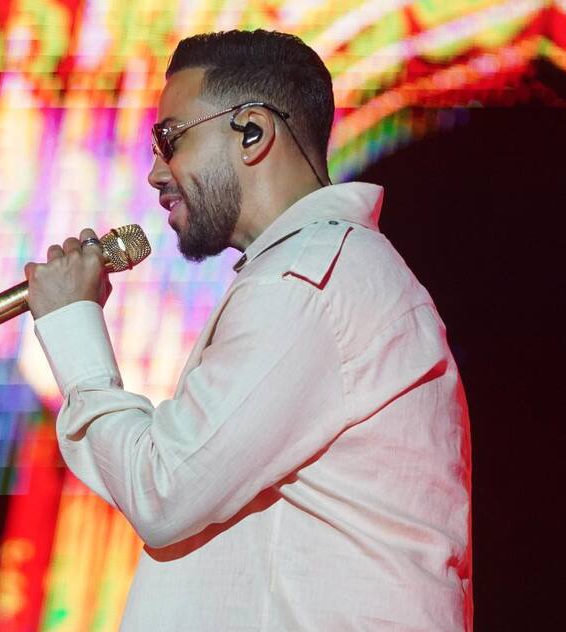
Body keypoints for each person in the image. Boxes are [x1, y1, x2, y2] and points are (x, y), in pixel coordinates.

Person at [24, 29, 472, 631]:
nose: (156, 173)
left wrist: (72, 323)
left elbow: (164, 487)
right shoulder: (318, 272)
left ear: (253, 132)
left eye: (170, 139)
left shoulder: (310, 281)